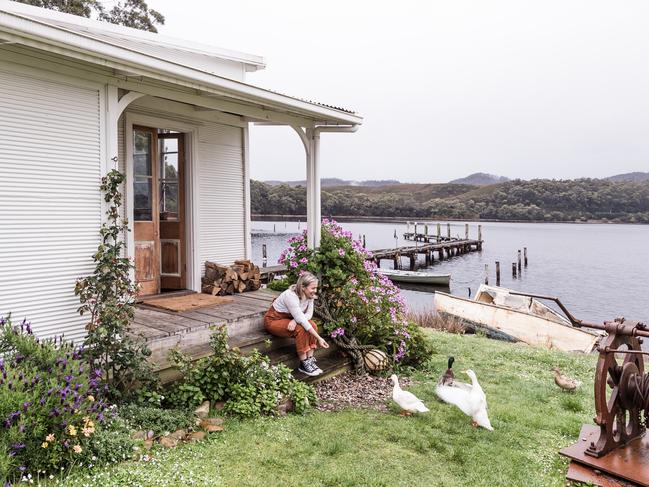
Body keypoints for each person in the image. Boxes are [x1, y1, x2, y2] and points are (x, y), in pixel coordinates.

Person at [264, 271, 329, 376]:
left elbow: (309, 315)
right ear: (303, 287)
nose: (315, 291)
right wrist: (319, 338)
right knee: (301, 328)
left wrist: (295, 320)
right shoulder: (290, 296)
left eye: (316, 288)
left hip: (291, 318)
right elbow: (302, 320)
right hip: (274, 320)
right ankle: (303, 363)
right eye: (313, 288)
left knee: (312, 325)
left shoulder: (309, 295)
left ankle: (310, 360)